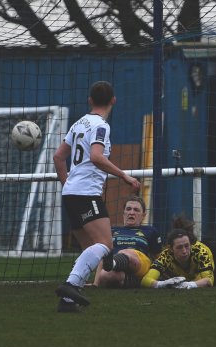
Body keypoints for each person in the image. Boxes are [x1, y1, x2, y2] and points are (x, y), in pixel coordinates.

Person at [53, 81, 141, 312]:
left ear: (90, 100)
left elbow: (58, 158)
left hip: (71, 193)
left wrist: (68, 185)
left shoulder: (78, 123)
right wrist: (125, 177)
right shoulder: (101, 126)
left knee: (89, 249)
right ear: (114, 101)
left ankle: (68, 301)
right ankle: (70, 284)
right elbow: (96, 157)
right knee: (105, 244)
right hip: (85, 194)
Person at [93, 196, 162, 289]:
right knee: (105, 275)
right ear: (123, 213)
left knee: (126, 252)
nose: (131, 212)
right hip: (116, 267)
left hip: (139, 263)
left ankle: (113, 263)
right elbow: (104, 254)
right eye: (128, 209)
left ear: (143, 215)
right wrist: (96, 284)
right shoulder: (112, 230)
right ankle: (138, 283)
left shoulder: (150, 231)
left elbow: (158, 258)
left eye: (136, 210)